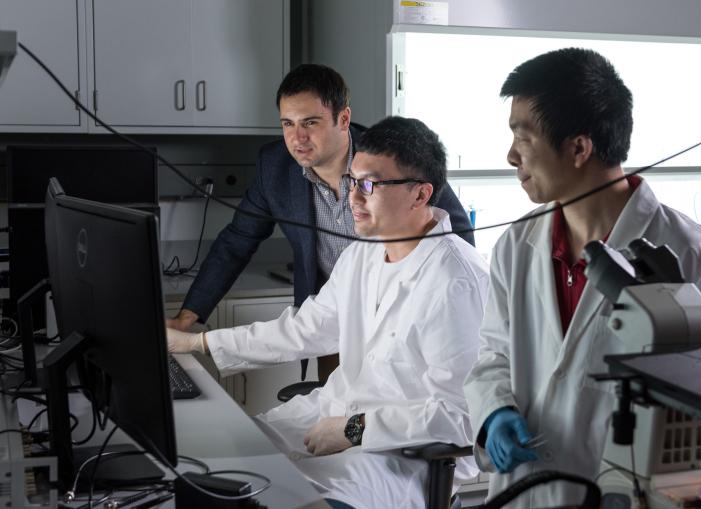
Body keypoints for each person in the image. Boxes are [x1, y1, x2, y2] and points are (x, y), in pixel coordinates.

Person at [463, 47, 701, 508]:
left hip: (627, 492)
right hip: (525, 489)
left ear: (578, 147)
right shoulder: (517, 245)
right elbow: (494, 353)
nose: (511, 155)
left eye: (523, 137)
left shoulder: (687, 252)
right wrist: (494, 412)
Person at [167, 116, 489, 509]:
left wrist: (356, 430)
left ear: (420, 195)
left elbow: (463, 418)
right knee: (211, 463)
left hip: (400, 460)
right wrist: (196, 341)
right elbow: (303, 331)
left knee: (279, 500)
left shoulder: (456, 280)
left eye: (369, 185)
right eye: (353, 182)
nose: (352, 197)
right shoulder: (361, 255)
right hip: (329, 415)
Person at [167, 64, 474, 382]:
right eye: (287, 123)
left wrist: (431, 295)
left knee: (384, 410)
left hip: (404, 317)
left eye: (310, 123)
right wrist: (188, 323)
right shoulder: (276, 168)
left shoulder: (388, 159)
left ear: (343, 119)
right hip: (334, 315)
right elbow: (237, 241)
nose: (297, 138)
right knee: (340, 404)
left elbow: (457, 234)